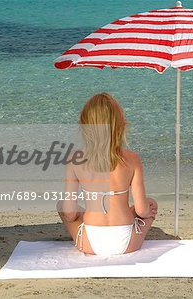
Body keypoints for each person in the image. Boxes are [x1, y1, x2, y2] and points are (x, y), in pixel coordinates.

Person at [57, 92, 158, 255]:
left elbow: (69, 214)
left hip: (90, 242)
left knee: (63, 204)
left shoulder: (74, 159)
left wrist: (81, 215)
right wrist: (147, 212)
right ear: (120, 125)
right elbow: (141, 210)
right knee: (150, 202)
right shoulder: (132, 159)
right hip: (128, 243)